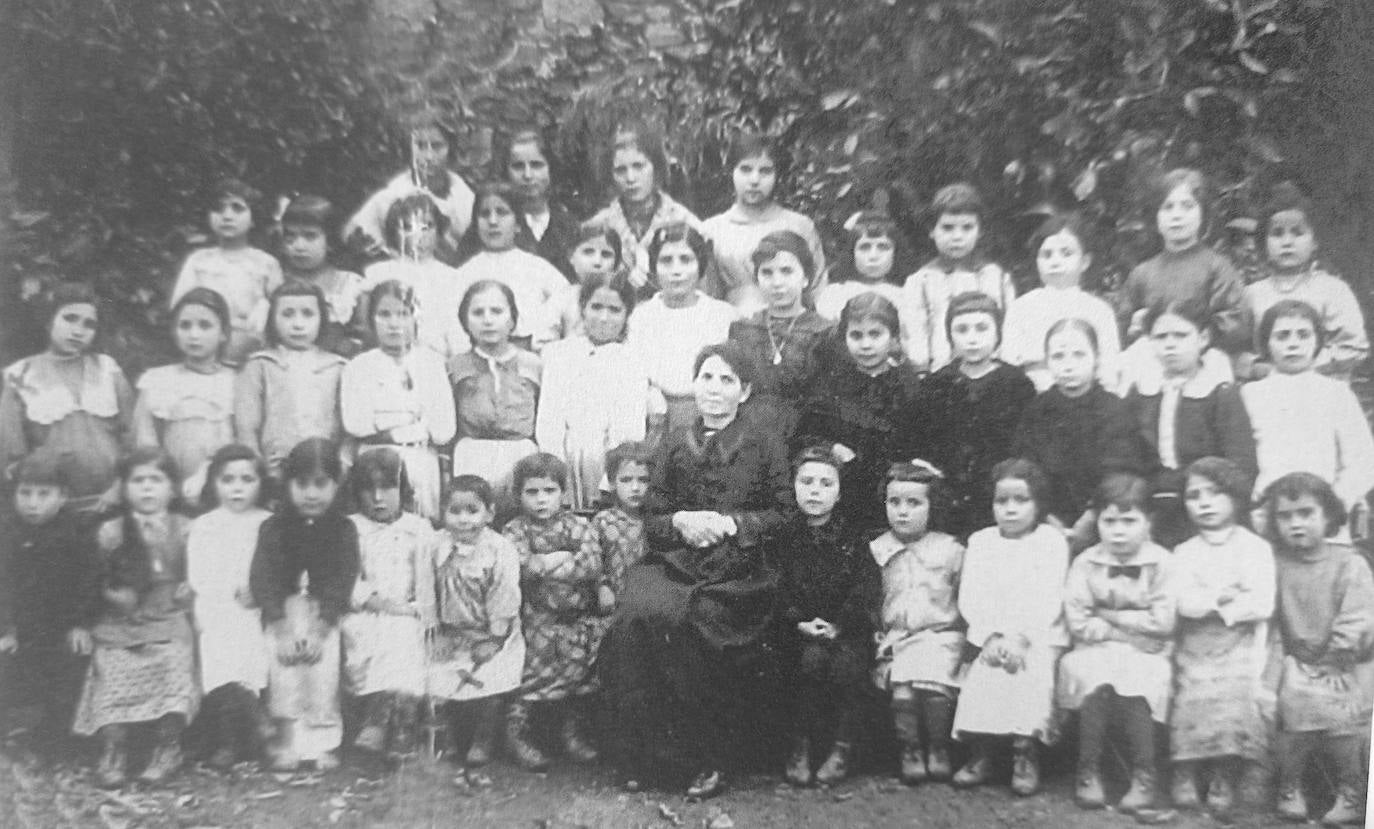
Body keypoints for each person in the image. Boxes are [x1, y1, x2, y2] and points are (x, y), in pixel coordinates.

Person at [599, 342, 791, 799]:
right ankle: (646, 756)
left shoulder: (765, 443)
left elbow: (785, 513)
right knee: (636, 615)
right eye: (707, 377)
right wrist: (680, 522)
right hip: (677, 560)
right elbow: (654, 517)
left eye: (727, 380)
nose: (715, 389)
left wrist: (733, 522)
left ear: (744, 392)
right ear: (695, 384)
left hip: (740, 568)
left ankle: (710, 756)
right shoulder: (673, 441)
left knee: (697, 621)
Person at [73, 449, 198, 787]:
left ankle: (167, 747)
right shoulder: (110, 532)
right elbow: (91, 581)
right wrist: (85, 621)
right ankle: (114, 750)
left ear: (172, 489)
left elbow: (203, 571)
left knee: (173, 659)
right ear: (123, 488)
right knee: (110, 666)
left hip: (167, 615)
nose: (146, 489)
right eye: (137, 480)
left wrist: (192, 586)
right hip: (121, 621)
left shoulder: (187, 529)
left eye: (156, 480)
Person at [1058, 474, 1177, 814]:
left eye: (1129, 521)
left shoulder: (1162, 563)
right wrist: (1125, 631)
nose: (1119, 531)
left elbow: (1163, 622)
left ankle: (1143, 773)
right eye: (1109, 521)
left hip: (1148, 652)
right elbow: (1079, 621)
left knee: (1139, 683)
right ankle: (1088, 769)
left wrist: (1108, 617)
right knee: (1093, 678)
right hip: (1097, 647)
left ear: (1148, 521)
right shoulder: (1086, 563)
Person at [952, 458, 1068, 796]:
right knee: (984, 672)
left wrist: (1021, 638)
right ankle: (982, 753)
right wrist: (990, 636)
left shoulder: (1050, 541)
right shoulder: (982, 541)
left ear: (1039, 503)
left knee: (1030, 672)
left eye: (1021, 500)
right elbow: (971, 597)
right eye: (1002, 501)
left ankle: (1025, 752)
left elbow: (1050, 598)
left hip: (1038, 632)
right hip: (991, 632)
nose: (1011, 510)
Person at [1263, 472, 1374, 825]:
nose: (1296, 524)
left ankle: (1351, 792)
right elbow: (1274, 621)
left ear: (1327, 516)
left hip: (1346, 661)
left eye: (1306, 513)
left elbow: (1358, 617)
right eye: (1286, 516)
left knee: (1347, 707)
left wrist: (1337, 657)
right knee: (1290, 697)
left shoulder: (1349, 563)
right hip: (1296, 660)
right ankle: (1289, 785)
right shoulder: (1276, 564)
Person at [1168, 457, 1274, 816]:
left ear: (1237, 497)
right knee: (1191, 689)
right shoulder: (1184, 553)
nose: (1205, 502)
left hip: (1243, 641)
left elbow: (1261, 602)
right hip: (1195, 641)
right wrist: (1220, 598)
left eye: (1215, 493)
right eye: (1194, 495)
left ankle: (1222, 773)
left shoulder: (1254, 548)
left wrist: (1220, 605)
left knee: (1234, 690)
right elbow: (1183, 603)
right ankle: (1184, 768)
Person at [249, 438, 359, 771]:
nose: (311, 494)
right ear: (288, 484)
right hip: (281, 613)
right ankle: (287, 742)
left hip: (325, 614)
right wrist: (280, 628)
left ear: (336, 484)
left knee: (323, 667)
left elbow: (343, 581)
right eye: (302, 484)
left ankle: (324, 742)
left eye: (321, 484)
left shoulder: (343, 528)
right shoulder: (273, 527)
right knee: (283, 667)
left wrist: (322, 628)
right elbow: (263, 579)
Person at [777, 446, 881, 787]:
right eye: (806, 481)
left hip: (843, 629)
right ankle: (799, 746)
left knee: (847, 665)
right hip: (798, 629)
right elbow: (776, 585)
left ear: (839, 493)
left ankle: (842, 749)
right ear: (793, 487)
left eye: (826, 483)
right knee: (806, 662)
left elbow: (865, 587)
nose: (815, 490)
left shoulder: (853, 538)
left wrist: (841, 624)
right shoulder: (783, 537)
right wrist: (798, 621)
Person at [1123, 299, 1255, 547]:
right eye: (1160, 337)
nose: (1170, 345)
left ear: (1203, 338)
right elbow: (1126, 454)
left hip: (1207, 506)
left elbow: (1241, 462)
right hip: (1153, 506)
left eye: (1181, 335)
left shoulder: (1220, 394)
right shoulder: (1141, 393)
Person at [502, 453, 605, 769]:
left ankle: (571, 733)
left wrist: (549, 563)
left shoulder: (578, 525)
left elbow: (590, 564)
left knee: (580, 673)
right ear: (519, 495)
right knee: (532, 673)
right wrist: (558, 559)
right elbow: (522, 566)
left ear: (564, 493)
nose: (541, 500)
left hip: (575, 617)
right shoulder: (516, 530)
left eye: (549, 491)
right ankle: (518, 735)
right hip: (537, 616)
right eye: (531, 492)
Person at [795, 292, 925, 535]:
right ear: (844, 339)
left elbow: (918, 443)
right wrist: (831, 447)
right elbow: (806, 433)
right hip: (843, 495)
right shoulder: (830, 386)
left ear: (894, 338)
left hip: (892, 497)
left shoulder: (908, 387)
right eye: (856, 335)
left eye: (875, 334)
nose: (866, 345)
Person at [425, 474, 525, 787]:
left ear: (489, 513)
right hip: (450, 629)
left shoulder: (499, 548)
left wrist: (495, 638)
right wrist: (435, 629)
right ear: (443, 513)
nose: (463, 519)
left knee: (492, 676)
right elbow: (426, 589)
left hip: (491, 631)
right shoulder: (434, 545)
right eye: (454, 511)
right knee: (440, 672)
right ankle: (451, 736)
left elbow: (505, 593)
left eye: (472, 511)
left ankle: (484, 738)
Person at [0, 448, 99, 763]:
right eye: (25, 493)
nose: (32, 503)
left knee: (71, 666)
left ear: (63, 496)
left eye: (44, 494)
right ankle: (10, 734)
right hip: (19, 626)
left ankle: (51, 740)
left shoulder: (76, 531)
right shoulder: (8, 531)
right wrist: (6, 628)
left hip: (60, 626)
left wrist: (81, 623)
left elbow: (89, 580)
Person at [0, 282, 134, 513]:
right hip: (52, 509)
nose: (78, 330)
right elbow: (12, 455)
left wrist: (120, 488)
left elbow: (133, 436)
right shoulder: (19, 375)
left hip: (112, 502)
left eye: (89, 324)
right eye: (69, 319)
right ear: (49, 319)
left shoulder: (107, 369)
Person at [870, 460, 965, 785]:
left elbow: (965, 599)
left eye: (914, 503)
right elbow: (870, 601)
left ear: (931, 505)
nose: (903, 512)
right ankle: (910, 749)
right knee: (904, 690)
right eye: (894, 502)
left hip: (941, 637)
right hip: (895, 639)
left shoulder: (950, 549)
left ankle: (938, 747)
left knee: (933, 685)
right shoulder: (877, 550)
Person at [1013, 319, 1144, 551]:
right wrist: (1047, 518)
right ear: (1047, 361)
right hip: (1047, 521)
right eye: (1058, 356)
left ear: (1096, 358)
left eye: (1079, 355)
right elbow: (1027, 470)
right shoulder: (1036, 411)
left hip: (1105, 518)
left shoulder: (1114, 409)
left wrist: (1092, 517)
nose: (1068, 365)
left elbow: (1121, 471)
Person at [535, 271, 663, 510]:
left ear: (627, 314)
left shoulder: (632, 361)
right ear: (583, 308)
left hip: (608, 462)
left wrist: (612, 478)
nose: (604, 318)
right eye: (596, 307)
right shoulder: (559, 354)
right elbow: (549, 419)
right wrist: (555, 472)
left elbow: (628, 427)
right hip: (564, 459)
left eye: (615, 310)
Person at [1240, 299, 1374, 522]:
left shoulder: (1336, 393)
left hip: (1325, 512)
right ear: (1266, 343)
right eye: (1282, 336)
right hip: (1266, 512)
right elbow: (1239, 459)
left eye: (1303, 335)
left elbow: (1363, 460)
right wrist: (1255, 505)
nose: (1293, 344)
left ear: (1318, 342)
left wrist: (1335, 503)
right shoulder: (1249, 395)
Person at [185, 444, 273, 769]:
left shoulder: (268, 522)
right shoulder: (205, 525)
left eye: (247, 479)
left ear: (261, 483)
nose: (237, 487)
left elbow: (280, 570)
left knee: (248, 640)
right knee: (219, 642)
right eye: (228, 479)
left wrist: (259, 592)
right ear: (214, 483)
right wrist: (225, 594)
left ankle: (234, 740)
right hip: (215, 605)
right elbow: (199, 577)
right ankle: (246, 723)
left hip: (256, 609)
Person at [342, 449, 433, 760]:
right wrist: (373, 600)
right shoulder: (350, 528)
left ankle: (399, 723)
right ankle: (381, 716)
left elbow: (427, 576)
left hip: (409, 610)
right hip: (365, 611)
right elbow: (345, 576)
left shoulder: (418, 528)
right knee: (371, 633)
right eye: (369, 489)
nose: (378, 498)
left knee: (405, 634)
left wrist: (414, 606)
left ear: (402, 489)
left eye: (388, 488)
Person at [1116, 168, 1243, 390]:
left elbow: (1234, 320)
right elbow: (1125, 322)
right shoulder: (1143, 273)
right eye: (1168, 207)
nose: (1177, 215)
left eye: (1187, 206)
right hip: (1153, 360)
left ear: (1203, 214)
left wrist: (1198, 336)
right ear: (1156, 218)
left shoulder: (1217, 267)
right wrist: (1137, 325)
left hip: (1202, 361)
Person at [922, 292, 1035, 539]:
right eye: (961, 330)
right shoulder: (937, 384)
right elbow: (924, 441)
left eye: (982, 329)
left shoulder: (1017, 384)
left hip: (999, 496)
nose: (972, 339)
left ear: (998, 334)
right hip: (947, 497)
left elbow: (1026, 445)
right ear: (949, 335)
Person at [341, 280, 456, 521]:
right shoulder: (359, 366)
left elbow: (443, 430)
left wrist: (382, 421)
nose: (394, 324)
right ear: (371, 319)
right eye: (384, 314)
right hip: (375, 463)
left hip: (420, 461)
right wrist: (410, 420)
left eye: (404, 314)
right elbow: (356, 424)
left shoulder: (432, 363)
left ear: (417, 318)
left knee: (420, 530)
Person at [1239, 182, 1367, 382]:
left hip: (1322, 390)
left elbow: (1354, 347)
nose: (1287, 242)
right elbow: (1236, 350)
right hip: (1268, 392)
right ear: (1264, 243)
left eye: (1297, 233)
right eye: (1277, 234)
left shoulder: (1333, 289)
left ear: (1315, 241)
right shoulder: (1252, 294)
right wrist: (1257, 368)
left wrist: (1303, 365)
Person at [625, 222, 738, 434]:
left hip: (711, 420)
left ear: (700, 265)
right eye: (666, 261)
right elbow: (632, 374)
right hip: (655, 417)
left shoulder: (723, 315)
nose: (676, 271)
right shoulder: (641, 317)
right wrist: (648, 394)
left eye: (686, 260)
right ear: (654, 267)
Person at [133, 288, 237, 506]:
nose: (194, 335)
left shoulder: (235, 382)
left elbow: (235, 440)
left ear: (223, 333)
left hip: (224, 490)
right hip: (168, 493)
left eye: (205, 326)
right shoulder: (158, 379)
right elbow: (146, 440)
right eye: (185, 326)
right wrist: (164, 484)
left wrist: (207, 475)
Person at [701, 133, 826, 312]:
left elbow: (817, 290)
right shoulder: (712, 230)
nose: (754, 180)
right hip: (733, 326)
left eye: (765, 171)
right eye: (745, 169)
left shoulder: (799, 226)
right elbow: (706, 295)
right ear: (731, 172)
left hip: (792, 327)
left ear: (777, 175)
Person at [234, 281, 347, 480]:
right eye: (287, 314)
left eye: (308, 314)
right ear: (272, 318)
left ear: (322, 318)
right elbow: (246, 427)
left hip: (326, 470)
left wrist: (343, 462)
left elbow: (350, 428)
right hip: (275, 470)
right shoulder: (260, 365)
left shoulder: (338, 367)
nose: (298, 324)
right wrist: (257, 464)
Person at [727, 230, 832, 442]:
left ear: (805, 278)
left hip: (806, 437)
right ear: (757, 278)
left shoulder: (824, 332)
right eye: (767, 272)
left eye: (786, 271)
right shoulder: (743, 329)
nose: (777, 282)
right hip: (749, 438)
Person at [1001, 213, 1121, 392]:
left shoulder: (1099, 310)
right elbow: (1009, 363)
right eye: (1046, 255)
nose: (1055, 262)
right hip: (1033, 396)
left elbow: (1109, 367)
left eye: (1066, 254)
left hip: (1085, 397)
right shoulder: (1022, 307)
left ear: (1085, 261)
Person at [903, 183, 1015, 373]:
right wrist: (921, 371)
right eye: (947, 228)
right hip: (940, 376)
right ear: (932, 230)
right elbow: (914, 334)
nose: (957, 236)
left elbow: (1010, 328)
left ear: (980, 231)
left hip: (992, 375)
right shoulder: (921, 281)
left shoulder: (996, 277)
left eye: (967, 228)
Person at [170, 178, 283, 365]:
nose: (227, 216)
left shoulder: (266, 264)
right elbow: (179, 310)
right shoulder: (199, 261)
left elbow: (280, 313)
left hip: (253, 356)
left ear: (254, 217)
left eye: (237, 208)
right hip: (206, 353)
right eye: (218, 209)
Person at [447, 280, 541, 507]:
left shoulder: (533, 364)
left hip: (520, 452)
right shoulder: (455, 366)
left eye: (497, 311)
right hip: (472, 452)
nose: (488, 320)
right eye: (478, 313)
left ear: (511, 319)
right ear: (465, 321)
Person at [588, 122, 704, 297]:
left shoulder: (685, 222)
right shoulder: (598, 227)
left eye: (639, 166)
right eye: (620, 170)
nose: (631, 178)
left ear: (656, 168)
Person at [451, 182, 569, 349]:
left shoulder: (539, 269)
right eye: (484, 214)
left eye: (502, 213)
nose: (492, 221)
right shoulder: (464, 273)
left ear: (518, 223)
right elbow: (453, 328)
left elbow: (567, 305)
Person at [343, 114, 476, 259]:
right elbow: (352, 230)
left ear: (451, 148)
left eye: (437, 146)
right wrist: (385, 253)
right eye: (420, 146)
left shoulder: (461, 192)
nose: (428, 156)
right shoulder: (396, 193)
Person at [359, 192, 468, 360]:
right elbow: (367, 329)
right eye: (407, 227)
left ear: (439, 230)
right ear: (394, 232)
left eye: (427, 226)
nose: (418, 235)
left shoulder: (451, 277)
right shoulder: (379, 273)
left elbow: (458, 332)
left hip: (439, 359)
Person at [278, 194, 365, 357]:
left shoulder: (350, 285)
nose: (299, 246)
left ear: (330, 240)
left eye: (310, 236)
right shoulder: (276, 281)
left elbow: (363, 338)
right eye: (291, 237)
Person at [496, 127, 580, 280]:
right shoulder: (495, 223)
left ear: (550, 169)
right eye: (518, 166)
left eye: (536, 165)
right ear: (506, 172)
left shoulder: (570, 227)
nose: (527, 175)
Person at [591, 441, 653, 607]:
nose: (635, 488)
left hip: (650, 599)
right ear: (612, 483)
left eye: (643, 480)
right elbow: (594, 561)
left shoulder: (657, 522)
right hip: (615, 601)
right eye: (626, 480)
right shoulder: (604, 521)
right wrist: (602, 586)